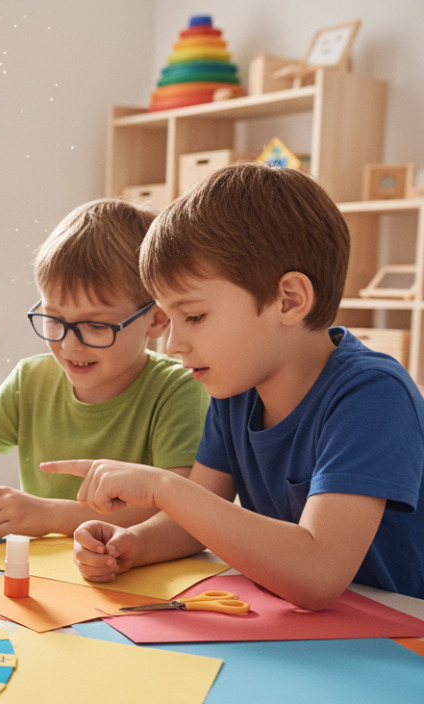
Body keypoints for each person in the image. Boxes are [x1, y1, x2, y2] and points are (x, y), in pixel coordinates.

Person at [43, 163, 424, 608]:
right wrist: (132, 545)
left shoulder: (372, 394)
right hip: (318, 632)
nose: (174, 344)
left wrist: (165, 488)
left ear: (289, 300)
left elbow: (319, 574)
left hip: (399, 636)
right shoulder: (236, 388)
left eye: (195, 316)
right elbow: (192, 523)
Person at [0, 198, 208, 537]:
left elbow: (178, 513)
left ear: (157, 319)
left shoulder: (178, 390)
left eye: (97, 326)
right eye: (54, 319)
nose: (70, 345)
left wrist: (51, 516)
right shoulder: (30, 381)